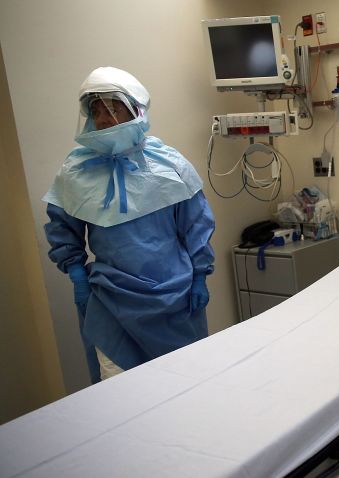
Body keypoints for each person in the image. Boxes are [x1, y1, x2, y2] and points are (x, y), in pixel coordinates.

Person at [43, 67, 215, 383]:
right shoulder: (76, 170)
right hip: (111, 300)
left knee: (184, 385)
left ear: (135, 109)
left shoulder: (169, 164)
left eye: (112, 108)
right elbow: (61, 228)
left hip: (174, 298)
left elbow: (196, 225)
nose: (104, 118)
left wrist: (200, 274)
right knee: (120, 394)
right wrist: (77, 273)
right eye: (96, 110)